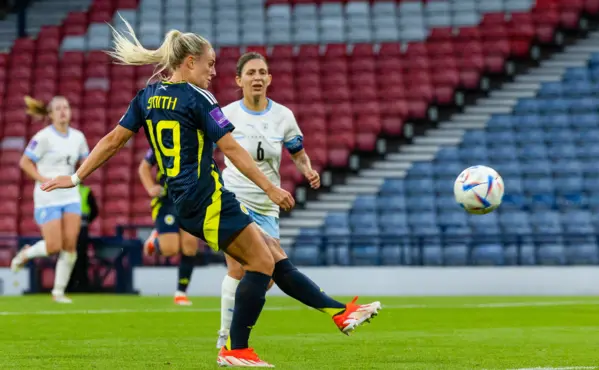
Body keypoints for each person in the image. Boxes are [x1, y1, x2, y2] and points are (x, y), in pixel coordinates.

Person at [41, 18, 381, 367]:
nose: (214, 71)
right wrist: (271, 187)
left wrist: (77, 176)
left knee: (272, 253)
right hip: (207, 198)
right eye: (210, 63)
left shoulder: (147, 97)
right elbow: (232, 150)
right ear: (189, 62)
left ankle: (339, 313)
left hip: (190, 199)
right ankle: (235, 348)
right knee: (260, 262)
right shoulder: (199, 98)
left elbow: (113, 140)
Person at [215, 52, 324, 348]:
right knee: (239, 269)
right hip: (234, 200)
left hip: (267, 206)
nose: (257, 78)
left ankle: (233, 340)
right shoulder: (225, 114)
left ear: (270, 79)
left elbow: (298, 153)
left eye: (262, 72)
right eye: (250, 73)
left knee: (266, 276)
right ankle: (227, 340)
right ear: (239, 80)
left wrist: (308, 170)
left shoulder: (283, 116)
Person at [12, 96, 90, 304]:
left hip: (70, 194)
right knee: (54, 246)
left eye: (66, 107)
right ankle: (26, 254)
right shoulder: (43, 137)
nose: (63, 111)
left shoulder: (78, 137)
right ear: (51, 114)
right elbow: (25, 162)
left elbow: (86, 160)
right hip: (48, 196)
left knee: (70, 244)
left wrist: (79, 176)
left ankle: (58, 292)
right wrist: (42, 179)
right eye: (58, 108)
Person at [138, 148, 199, 306]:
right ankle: (156, 239)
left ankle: (181, 293)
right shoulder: (161, 140)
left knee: (190, 246)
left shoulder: (197, 139)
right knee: (170, 249)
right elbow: (144, 167)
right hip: (167, 201)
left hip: (190, 201)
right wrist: (151, 188)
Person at [68, 183, 99, 292]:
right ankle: (82, 285)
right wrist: (86, 221)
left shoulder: (66, 192)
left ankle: (69, 285)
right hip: (82, 229)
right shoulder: (86, 191)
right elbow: (95, 211)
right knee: (81, 257)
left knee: (69, 256)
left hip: (70, 229)